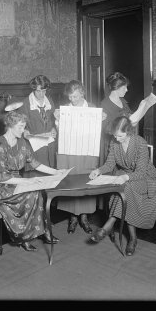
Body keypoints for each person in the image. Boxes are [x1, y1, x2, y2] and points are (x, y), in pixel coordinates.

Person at [0, 111, 66, 252]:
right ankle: (25, 237)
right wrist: (28, 181)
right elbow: (1, 177)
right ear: (10, 126)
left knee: (37, 192)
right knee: (31, 195)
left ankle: (41, 232)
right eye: (20, 127)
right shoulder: (0, 146)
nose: (23, 130)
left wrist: (56, 172)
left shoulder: (22, 142)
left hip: (16, 181)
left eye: (24, 127)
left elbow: (35, 163)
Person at [88, 116, 156, 256]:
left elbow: (141, 172)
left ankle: (107, 226)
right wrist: (98, 171)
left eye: (120, 135)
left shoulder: (140, 143)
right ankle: (133, 239)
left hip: (145, 178)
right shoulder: (114, 142)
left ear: (129, 132)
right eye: (115, 135)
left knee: (126, 188)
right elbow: (110, 164)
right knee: (127, 190)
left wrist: (125, 177)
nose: (117, 138)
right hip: (126, 177)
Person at [54, 80, 106, 234]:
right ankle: (72, 217)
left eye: (75, 96)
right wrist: (57, 120)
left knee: (85, 181)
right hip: (69, 151)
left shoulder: (92, 108)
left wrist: (102, 119)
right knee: (70, 180)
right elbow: (59, 131)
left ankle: (84, 217)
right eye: (70, 97)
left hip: (86, 151)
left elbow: (98, 131)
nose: (72, 100)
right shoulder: (64, 109)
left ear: (82, 93)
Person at [17, 74, 57, 168]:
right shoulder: (25, 104)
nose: (41, 94)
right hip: (34, 149)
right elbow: (20, 129)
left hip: (50, 148)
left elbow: (53, 122)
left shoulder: (49, 102)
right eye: (38, 91)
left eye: (44, 91)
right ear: (33, 89)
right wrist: (26, 133)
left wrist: (54, 129)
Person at [99, 72, 134, 166]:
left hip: (125, 142)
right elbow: (106, 129)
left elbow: (130, 116)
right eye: (124, 88)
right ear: (116, 88)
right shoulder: (105, 104)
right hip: (113, 145)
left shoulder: (123, 101)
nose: (126, 90)